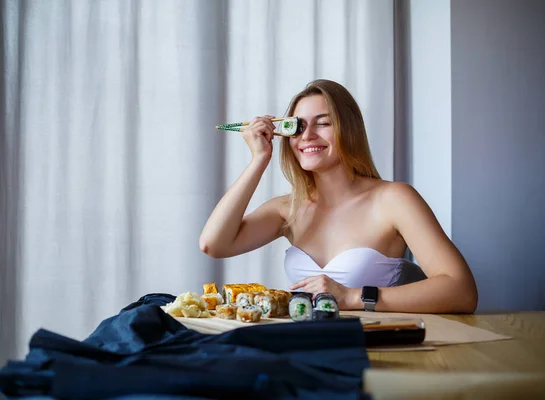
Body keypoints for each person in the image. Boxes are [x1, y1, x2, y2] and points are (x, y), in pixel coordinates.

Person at [199, 79, 478, 313]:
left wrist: (351, 297)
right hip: (306, 349)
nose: (307, 136)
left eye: (322, 123)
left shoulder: (393, 199)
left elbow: (461, 290)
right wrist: (259, 160)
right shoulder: (288, 209)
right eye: (297, 127)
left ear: (349, 130)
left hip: (376, 348)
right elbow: (213, 245)